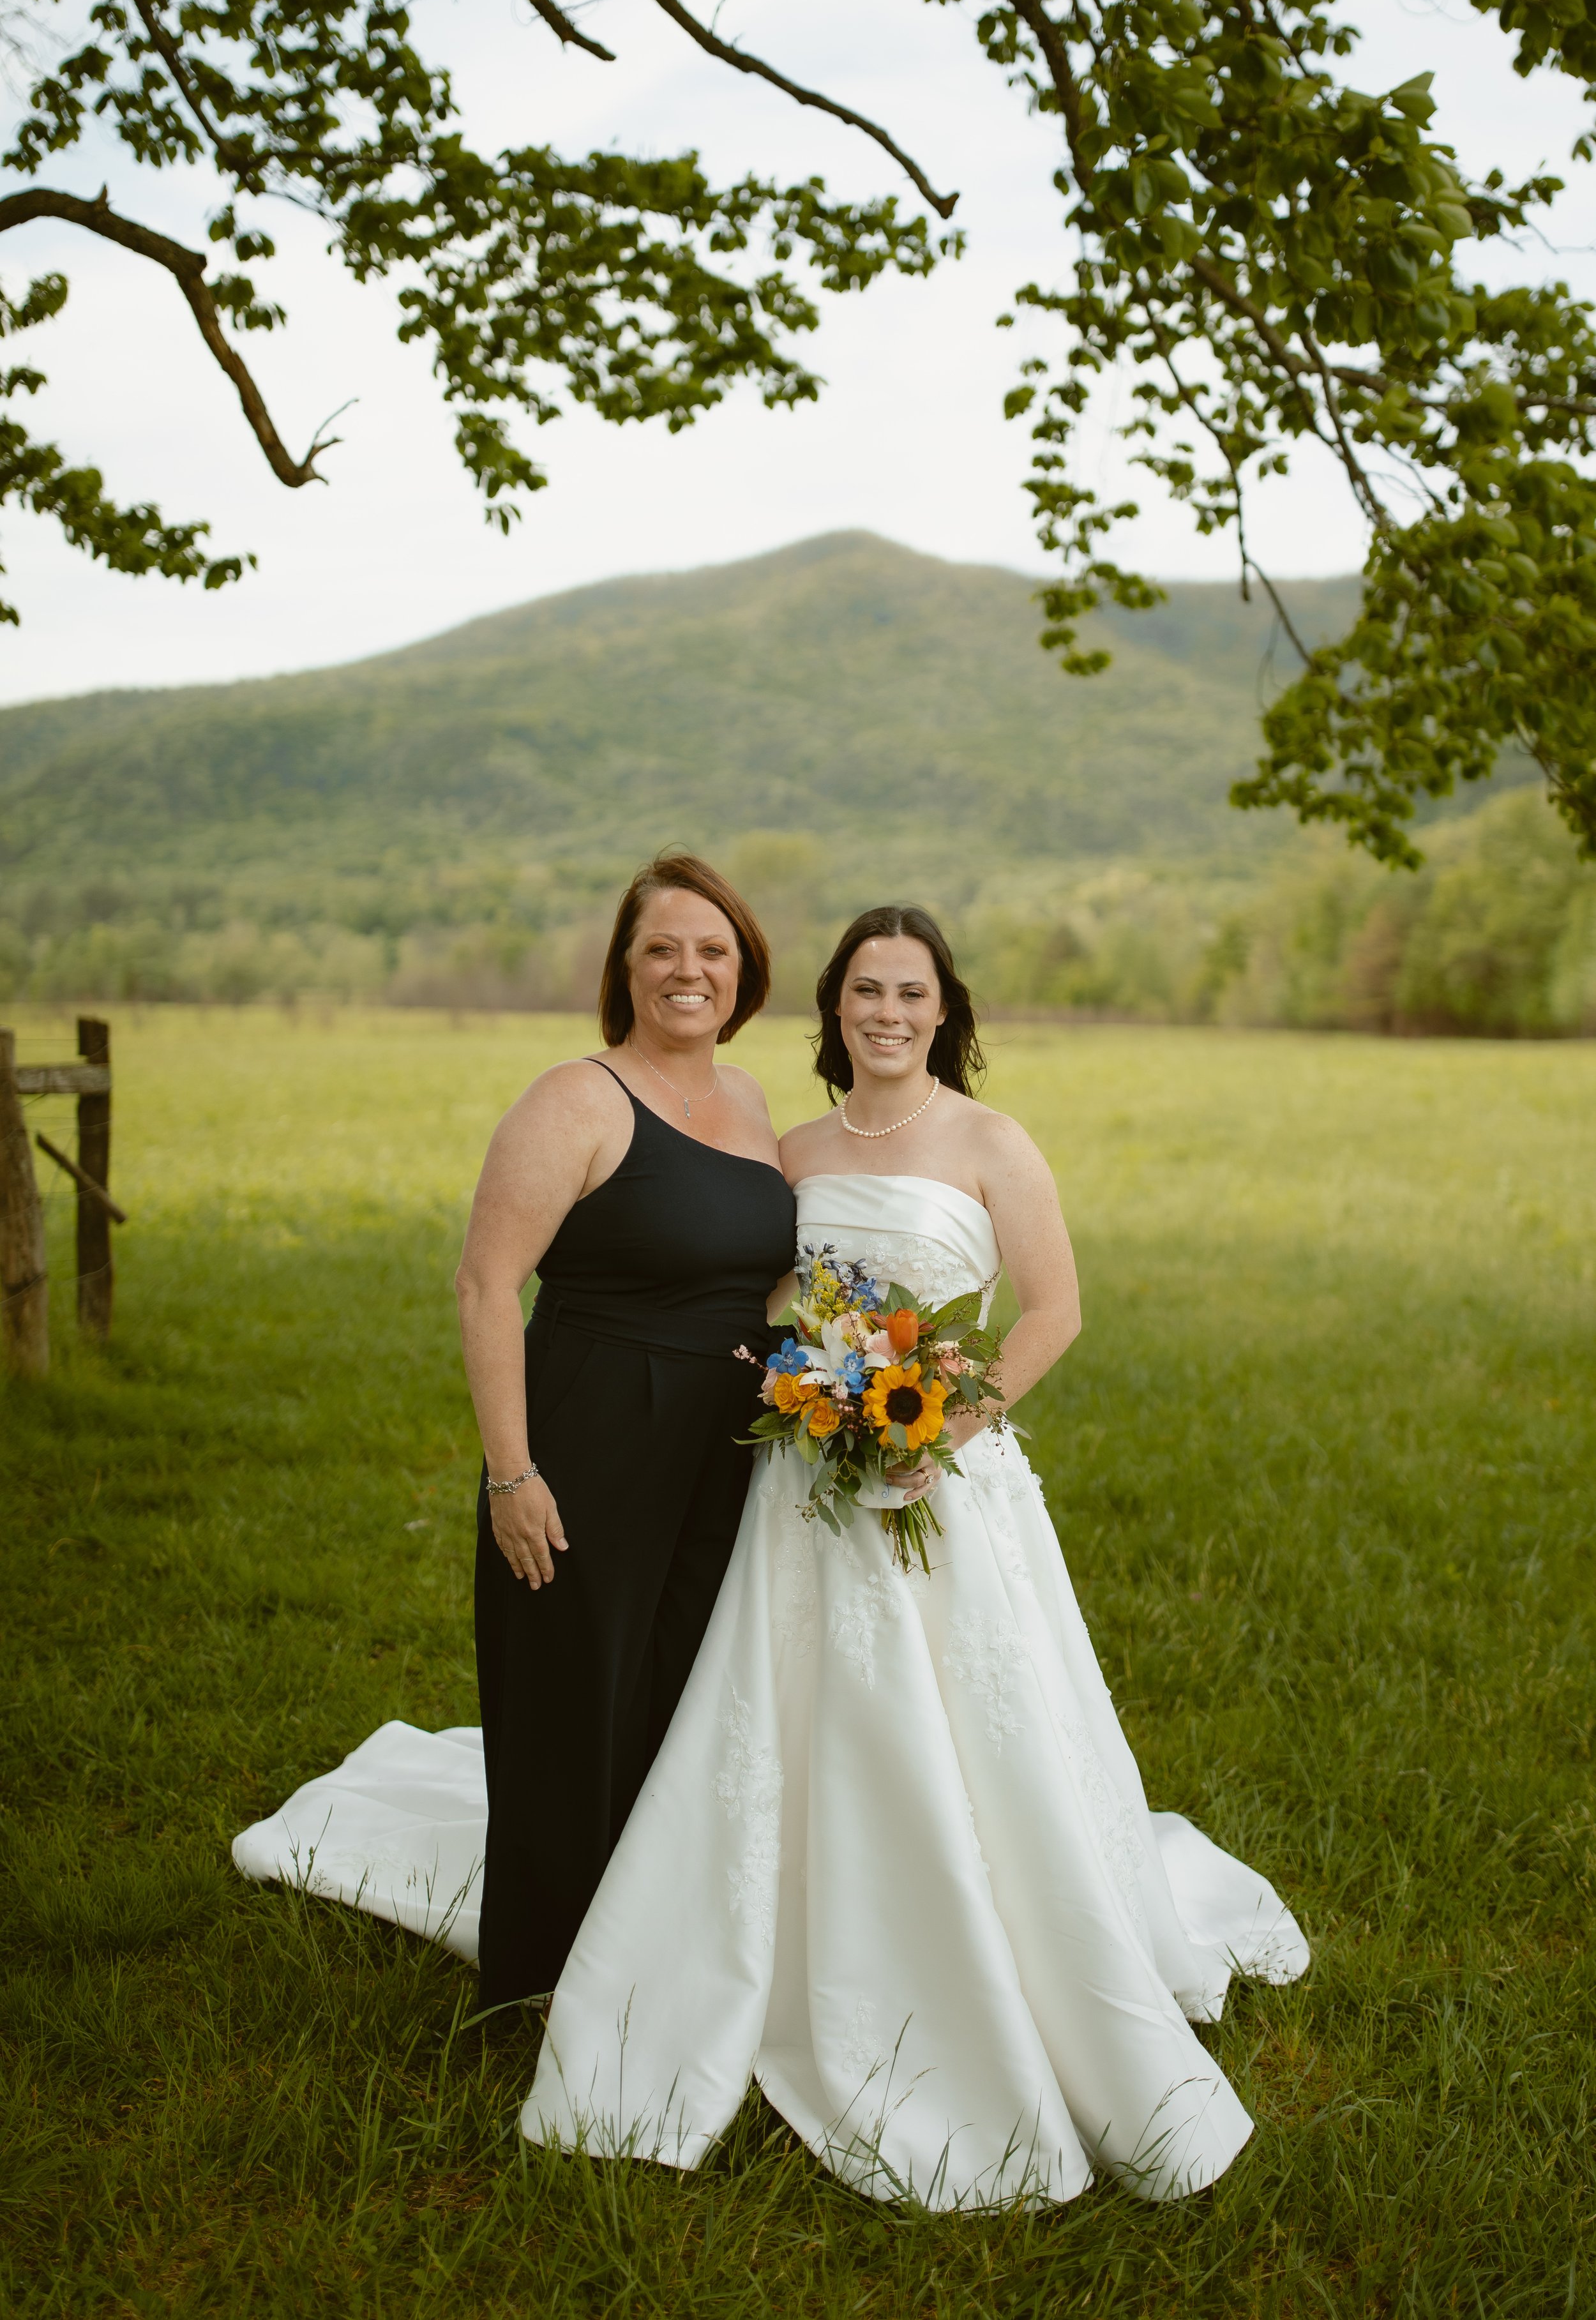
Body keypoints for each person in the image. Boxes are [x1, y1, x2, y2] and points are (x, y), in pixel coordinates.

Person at [520, 905, 1309, 2207]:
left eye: (911, 994)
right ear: (832, 1010)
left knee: (971, 1737)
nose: (886, 1014)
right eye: (863, 993)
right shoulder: (793, 1148)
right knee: (795, 1716)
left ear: (944, 1012)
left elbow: (1053, 1308)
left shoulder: (992, 1142)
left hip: (942, 1474)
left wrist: (944, 1425)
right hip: (804, 1485)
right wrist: (786, 1380)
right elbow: (772, 1298)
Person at [233, 855, 795, 2008]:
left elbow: (761, 1277)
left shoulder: (747, 1104)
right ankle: (542, 1975)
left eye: (714, 952)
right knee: (571, 1694)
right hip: (591, 1432)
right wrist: (512, 1473)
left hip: (727, 1453)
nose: (689, 971)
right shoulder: (576, 1099)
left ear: (744, 973)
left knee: (681, 1686)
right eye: (662, 949)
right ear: (624, 967)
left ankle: (653, 1938)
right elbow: (487, 1286)